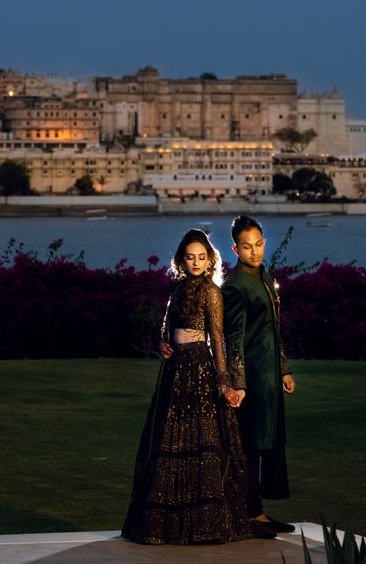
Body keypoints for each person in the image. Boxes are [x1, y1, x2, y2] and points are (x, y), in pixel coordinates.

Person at [121, 228, 275, 544]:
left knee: (199, 442)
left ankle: (205, 524)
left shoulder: (211, 292)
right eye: (190, 257)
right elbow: (167, 325)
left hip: (198, 367)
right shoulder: (177, 289)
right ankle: (166, 527)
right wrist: (163, 344)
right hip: (174, 369)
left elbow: (217, 338)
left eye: (201, 258)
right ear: (181, 260)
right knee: (167, 442)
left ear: (209, 261)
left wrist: (223, 382)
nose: (195, 262)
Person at [220, 215, 297, 535]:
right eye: (247, 247)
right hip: (250, 379)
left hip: (269, 378)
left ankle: (259, 512)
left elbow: (273, 330)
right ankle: (247, 515)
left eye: (259, 244)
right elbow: (232, 338)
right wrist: (237, 384)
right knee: (249, 447)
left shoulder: (264, 278)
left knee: (268, 444)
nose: (255, 252)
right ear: (235, 249)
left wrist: (285, 369)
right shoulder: (236, 286)